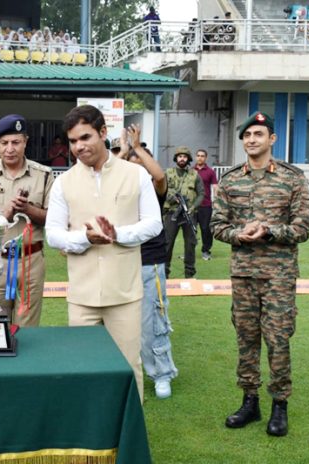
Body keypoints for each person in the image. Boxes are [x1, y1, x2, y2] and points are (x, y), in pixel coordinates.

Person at [46, 105, 162, 402]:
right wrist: (85, 238)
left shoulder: (135, 174)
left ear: (103, 133)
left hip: (124, 293)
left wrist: (117, 235)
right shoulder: (63, 182)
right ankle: (88, 439)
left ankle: (128, 441)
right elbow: (53, 234)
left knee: (127, 369)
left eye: (85, 137)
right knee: (82, 370)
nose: (79, 146)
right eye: (72, 141)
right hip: (81, 296)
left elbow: (154, 223)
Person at [211, 111, 309, 437]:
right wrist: (238, 234)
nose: (251, 139)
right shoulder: (230, 181)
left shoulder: (292, 178)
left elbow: (302, 228)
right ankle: (250, 401)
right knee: (246, 338)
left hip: (279, 274)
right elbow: (217, 227)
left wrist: (268, 230)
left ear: (272, 139)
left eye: (258, 133)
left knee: (278, 339)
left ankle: (279, 404)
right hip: (243, 274)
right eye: (247, 135)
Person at [0, 115, 54, 327]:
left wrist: (28, 209)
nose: (10, 149)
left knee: (27, 329)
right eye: (4, 143)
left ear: (25, 141)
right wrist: (4, 214)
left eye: (16, 142)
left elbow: (54, 218)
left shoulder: (43, 174)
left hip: (30, 260)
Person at [125, 124, 179, 400]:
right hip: (121, 262)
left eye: (139, 166)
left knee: (152, 324)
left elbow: (158, 175)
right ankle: (123, 373)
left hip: (149, 262)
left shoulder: (153, 190)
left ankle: (161, 374)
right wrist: (124, 151)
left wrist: (136, 149)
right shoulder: (117, 190)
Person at [163, 146, 204, 278]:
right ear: (176, 158)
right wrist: (170, 197)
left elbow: (201, 194)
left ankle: (190, 273)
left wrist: (193, 208)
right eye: (180, 156)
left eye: (185, 156)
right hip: (171, 212)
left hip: (189, 214)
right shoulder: (167, 173)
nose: (182, 158)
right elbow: (160, 189)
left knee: (190, 244)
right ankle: (164, 272)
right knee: (167, 243)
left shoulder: (195, 175)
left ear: (188, 159)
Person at [194, 148, 218, 260]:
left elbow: (215, 187)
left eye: (202, 156)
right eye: (198, 155)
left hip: (206, 205)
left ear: (206, 158)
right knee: (190, 230)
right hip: (192, 206)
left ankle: (206, 251)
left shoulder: (210, 172)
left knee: (205, 229)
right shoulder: (190, 171)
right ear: (195, 157)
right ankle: (189, 252)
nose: (200, 157)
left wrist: (217, 202)